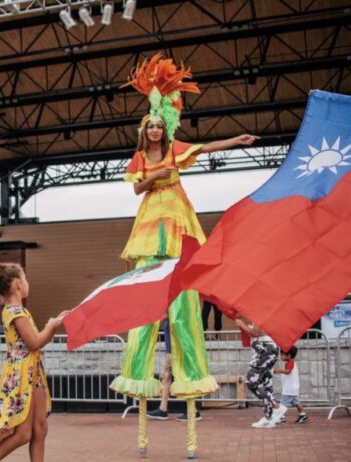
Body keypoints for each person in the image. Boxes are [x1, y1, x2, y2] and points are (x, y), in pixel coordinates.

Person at [109, 53, 257, 457]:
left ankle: (190, 385)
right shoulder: (143, 158)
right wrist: (156, 173)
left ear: (166, 128)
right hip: (148, 228)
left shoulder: (176, 150)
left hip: (177, 222)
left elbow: (207, 147)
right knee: (144, 308)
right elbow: (137, 188)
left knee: (183, 308)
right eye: (151, 126)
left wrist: (237, 141)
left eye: (160, 125)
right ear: (145, 130)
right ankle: (140, 386)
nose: (156, 130)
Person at [0, 260, 67, 462]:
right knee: (23, 433)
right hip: (22, 377)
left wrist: (55, 324)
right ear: (18, 284)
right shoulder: (14, 312)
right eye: (26, 279)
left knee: (40, 428)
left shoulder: (19, 311)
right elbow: (34, 342)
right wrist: (52, 326)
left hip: (33, 374)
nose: (28, 283)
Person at [235, 316, 287, 428]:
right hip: (267, 350)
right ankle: (269, 418)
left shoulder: (261, 311)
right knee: (265, 384)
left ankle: (277, 407)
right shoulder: (264, 310)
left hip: (265, 351)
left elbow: (256, 333)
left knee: (251, 381)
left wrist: (241, 324)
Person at [146, 319, 202, 422]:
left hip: (176, 351)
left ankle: (193, 411)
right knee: (167, 377)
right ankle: (163, 409)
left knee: (182, 377)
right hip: (172, 352)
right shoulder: (170, 319)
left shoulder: (175, 316)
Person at [274, 346, 308, 424]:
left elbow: (288, 371)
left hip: (289, 389)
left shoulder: (290, 363)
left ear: (288, 355)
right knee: (296, 403)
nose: (281, 356)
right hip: (293, 388)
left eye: (282, 354)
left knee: (283, 403)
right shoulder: (290, 363)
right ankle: (303, 415)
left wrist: (279, 370)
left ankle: (281, 417)